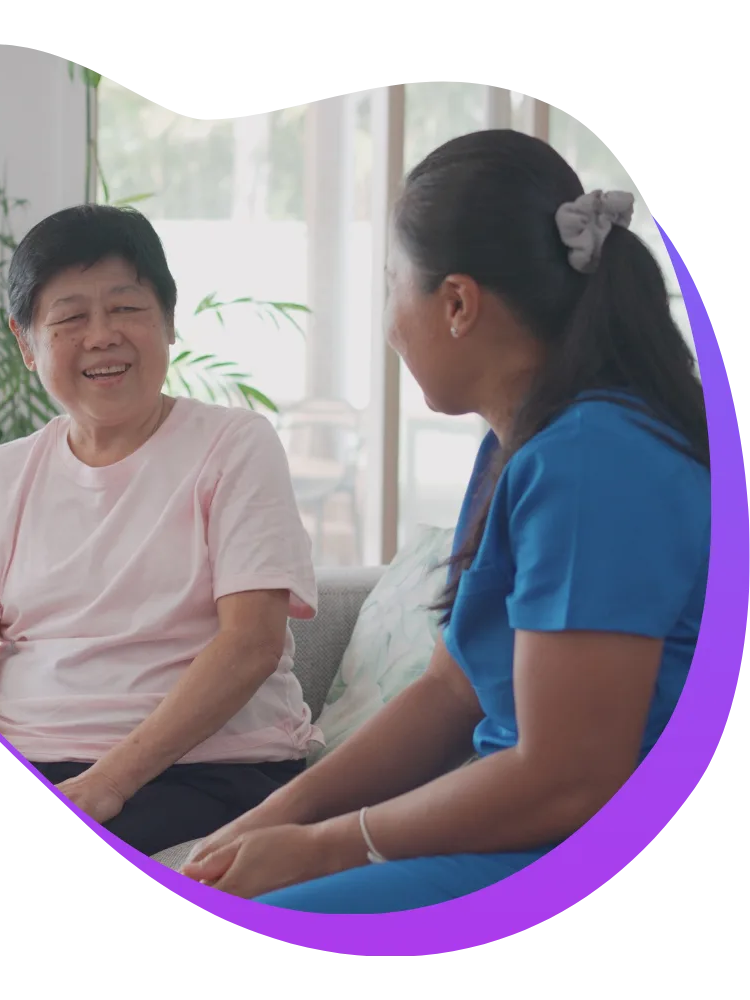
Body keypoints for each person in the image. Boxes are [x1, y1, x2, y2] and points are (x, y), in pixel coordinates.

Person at [180, 129, 711, 913]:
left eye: (393, 284)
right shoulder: (523, 443)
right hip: (518, 826)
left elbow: (569, 782)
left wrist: (327, 845)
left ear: (457, 302)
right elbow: (452, 690)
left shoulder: (593, 462)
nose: (391, 326)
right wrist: (277, 815)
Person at [0, 205, 322, 858]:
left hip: (209, 769)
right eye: (71, 318)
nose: (102, 336)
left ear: (168, 321)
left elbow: (252, 643)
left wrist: (107, 782)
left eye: (127, 308)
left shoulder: (234, 446)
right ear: (26, 344)